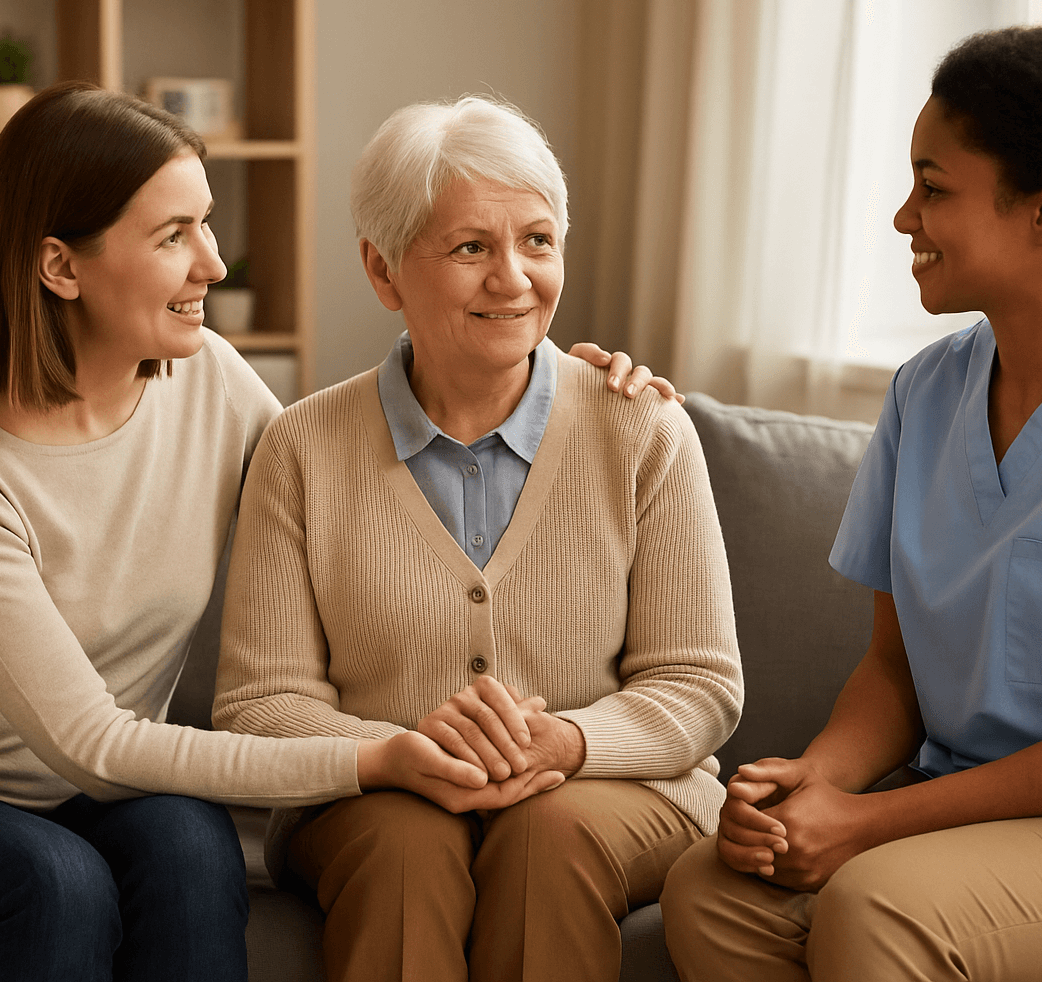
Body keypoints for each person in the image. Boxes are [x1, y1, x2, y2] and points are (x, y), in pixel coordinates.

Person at [0, 82, 669, 982]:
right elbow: (88, 741)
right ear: (61, 266)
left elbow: (348, 464)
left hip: (101, 794)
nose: (213, 262)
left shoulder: (205, 374)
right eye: (173, 236)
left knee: (193, 851)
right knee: (57, 887)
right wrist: (374, 758)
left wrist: (546, 380)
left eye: (206, 225)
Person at [660, 23, 1042, 982]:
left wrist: (867, 821)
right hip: (967, 797)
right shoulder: (925, 393)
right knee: (714, 891)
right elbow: (894, 667)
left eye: (934, 187)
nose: (904, 217)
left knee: (880, 911)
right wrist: (815, 782)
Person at [212, 95, 744, 982]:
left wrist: (566, 745)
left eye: (537, 241)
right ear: (383, 273)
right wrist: (396, 757)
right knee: (405, 848)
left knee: (548, 834)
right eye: (471, 248)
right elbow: (260, 708)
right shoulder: (300, 447)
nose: (514, 279)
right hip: (372, 798)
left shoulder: (643, 429)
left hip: (614, 792)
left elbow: (698, 685)